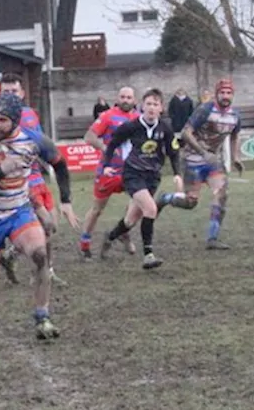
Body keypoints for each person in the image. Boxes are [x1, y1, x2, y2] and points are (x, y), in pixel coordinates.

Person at [0, 93, 79, 340]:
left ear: (14, 121)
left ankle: (42, 317)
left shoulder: (33, 140)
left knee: (40, 254)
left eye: (1, 120)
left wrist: (65, 201)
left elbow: (60, 164)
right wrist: (0, 169)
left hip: (18, 210)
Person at [159, 79, 244, 250]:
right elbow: (185, 133)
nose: (226, 96)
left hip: (213, 162)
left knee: (221, 195)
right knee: (191, 202)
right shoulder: (205, 110)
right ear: (216, 94)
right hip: (192, 160)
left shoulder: (235, 116)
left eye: (229, 93)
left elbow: (235, 135)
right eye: (223, 93)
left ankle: (212, 239)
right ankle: (166, 198)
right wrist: (202, 152)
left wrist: (235, 157)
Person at [102, 89, 182, 270]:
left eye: (156, 104)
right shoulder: (132, 126)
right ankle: (148, 255)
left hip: (152, 177)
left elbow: (173, 152)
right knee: (151, 208)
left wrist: (177, 173)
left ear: (161, 108)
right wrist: (107, 164)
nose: (152, 108)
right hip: (133, 174)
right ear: (142, 107)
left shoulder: (165, 128)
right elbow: (112, 143)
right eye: (148, 104)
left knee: (130, 220)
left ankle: (110, 237)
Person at [0, 73, 64, 285]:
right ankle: (42, 273)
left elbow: (40, 142)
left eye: (14, 91)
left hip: (37, 177)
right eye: (6, 92)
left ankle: (12, 256)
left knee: (50, 226)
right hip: (20, 182)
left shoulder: (30, 114)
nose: (10, 96)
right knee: (43, 223)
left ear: (22, 93)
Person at [80, 86, 138, 259]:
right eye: (123, 97)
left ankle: (123, 231)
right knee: (97, 209)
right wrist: (105, 148)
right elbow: (89, 137)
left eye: (129, 97)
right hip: (108, 170)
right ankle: (85, 245)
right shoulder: (108, 116)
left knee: (139, 203)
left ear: (134, 100)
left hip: (130, 171)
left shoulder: (138, 118)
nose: (126, 100)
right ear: (117, 98)